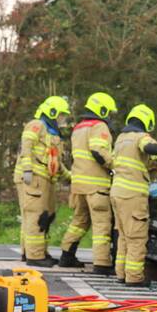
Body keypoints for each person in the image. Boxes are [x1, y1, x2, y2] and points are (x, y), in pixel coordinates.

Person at [110, 104, 157, 286]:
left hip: (117, 193)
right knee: (137, 237)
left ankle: (121, 274)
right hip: (132, 194)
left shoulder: (122, 139)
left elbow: (140, 159)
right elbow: (151, 148)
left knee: (123, 236)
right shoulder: (141, 137)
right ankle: (134, 277)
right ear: (147, 121)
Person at [60, 92, 118, 273]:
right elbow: (98, 151)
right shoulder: (99, 126)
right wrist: (115, 166)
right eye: (108, 112)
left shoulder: (78, 128)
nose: (109, 116)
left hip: (79, 185)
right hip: (96, 186)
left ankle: (66, 255)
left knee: (79, 221)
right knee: (102, 224)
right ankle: (102, 264)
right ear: (101, 109)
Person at [14, 96, 71, 267]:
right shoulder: (36, 125)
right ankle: (35, 256)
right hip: (33, 179)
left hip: (45, 179)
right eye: (61, 115)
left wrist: (70, 177)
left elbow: (55, 162)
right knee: (35, 216)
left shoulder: (52, 133)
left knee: (45, 216)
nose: (62, 119)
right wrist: (27, 169)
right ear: (52, 112)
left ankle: (35, 252)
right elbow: (26, 146)